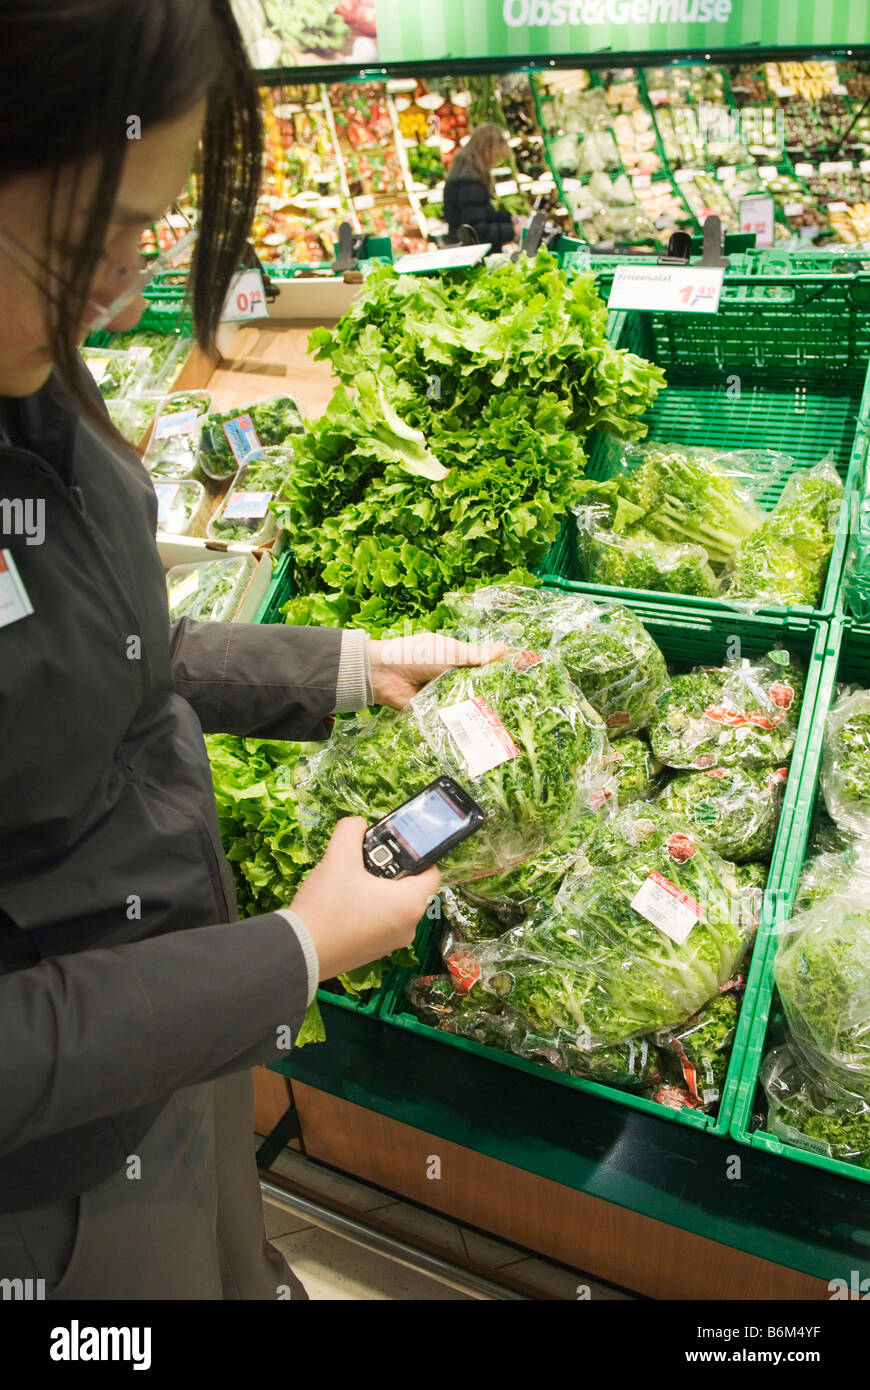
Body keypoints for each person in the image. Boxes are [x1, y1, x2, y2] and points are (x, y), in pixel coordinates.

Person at [0, 0, 503, 1301]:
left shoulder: (26, 371)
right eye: (101, 231)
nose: (135, 269)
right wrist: (292, 952)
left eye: (154, 223)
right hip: (47, 1186)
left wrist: (337, 668)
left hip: (174, 1035)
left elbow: (97, 650)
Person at [443, 123, 521, 252]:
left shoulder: (465, 173)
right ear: (488, 150)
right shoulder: (470, 182)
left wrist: (508, 219)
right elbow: (477, 230)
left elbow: (480, 214)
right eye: (496, 157)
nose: (495, 163)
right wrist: (513, 230)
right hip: (472, 255)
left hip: (466, 251)